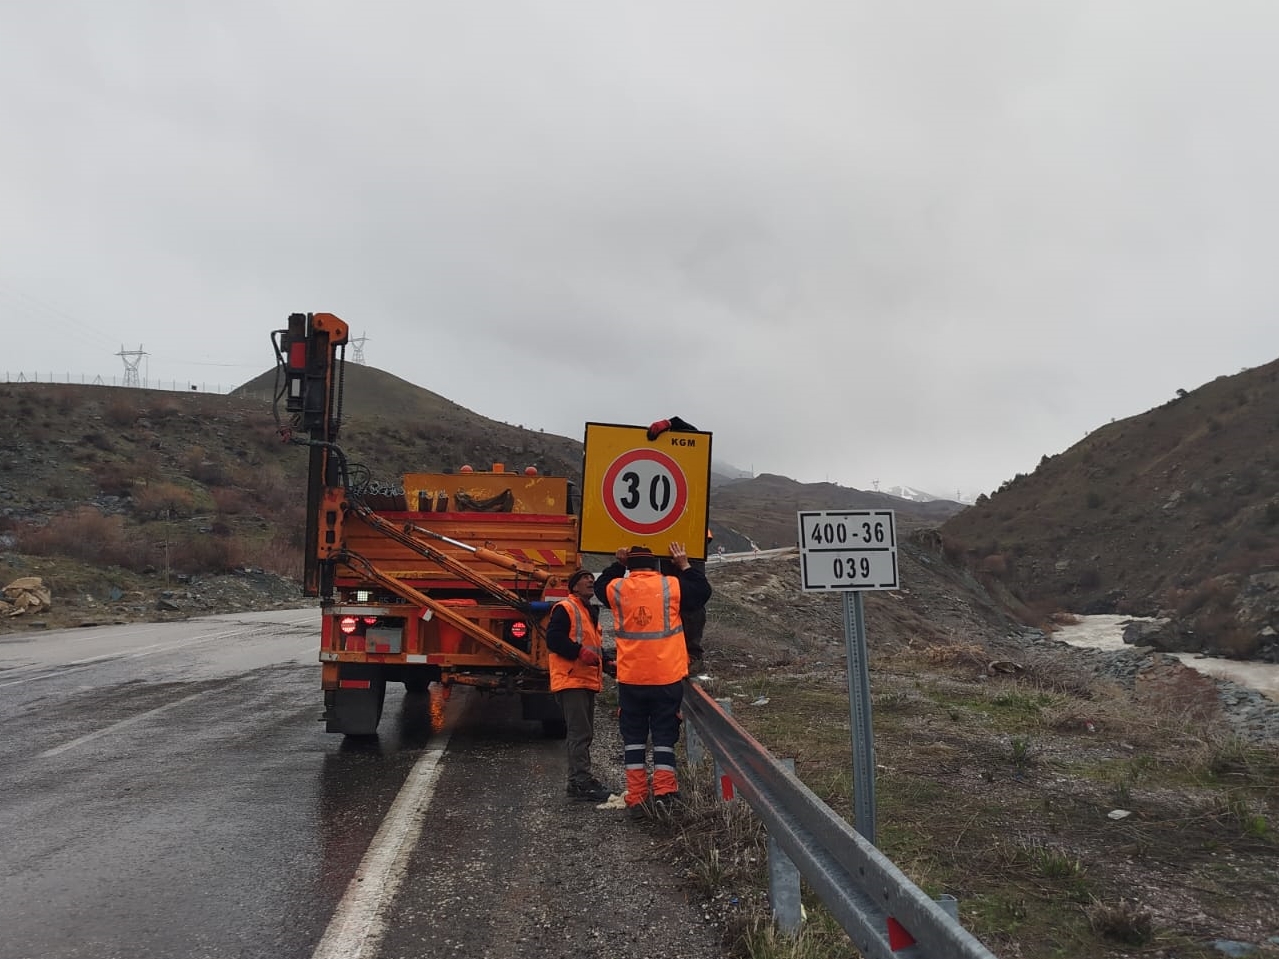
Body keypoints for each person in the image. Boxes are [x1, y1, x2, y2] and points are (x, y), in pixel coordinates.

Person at [594, 542, 712, 814]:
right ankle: (665, 791)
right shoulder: (671, 586)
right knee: (663, 734)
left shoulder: (618, 589)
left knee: (633, 737)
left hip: (631, 678)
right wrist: (684, 564)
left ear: (630, 566)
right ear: (655, 564)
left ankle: (636, 795)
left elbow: (601, 585)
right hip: (666, 677)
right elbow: (702, 592)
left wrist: (618, 564)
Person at [545, 568, 613, 803]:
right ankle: (580, 783)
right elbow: (553, 640)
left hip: (584, 679)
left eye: (591, 579)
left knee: (584, 732)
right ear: (573, 587)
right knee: (579, 733)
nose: (590, 581)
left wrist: (607, 662)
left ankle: (580, 780)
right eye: (585, 579)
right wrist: (579, 652)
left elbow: (591, 646)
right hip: (571, 679)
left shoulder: (587, 611)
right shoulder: (566, 608)